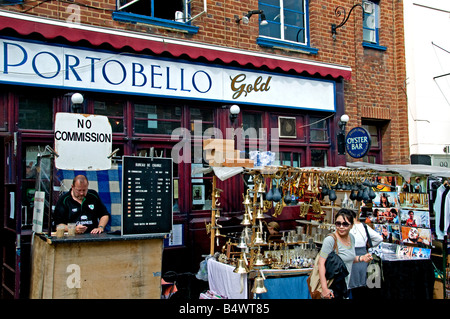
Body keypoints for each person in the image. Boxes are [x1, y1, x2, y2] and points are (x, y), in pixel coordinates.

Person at [318, 209, 372, 299]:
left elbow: (347, 259)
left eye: (345, 224)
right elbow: (321, 263)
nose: (341, 227)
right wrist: (324, 289)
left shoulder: (352, 238)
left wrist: (361, 258)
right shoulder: (330, 240)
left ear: (351, 226)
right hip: (331, 288)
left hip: (344, 287)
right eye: (338, 224)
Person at [349, 210, 383, 299]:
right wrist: (369, 245)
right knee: (363, 285)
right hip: (365, 257)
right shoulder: (364, 226)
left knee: (353, 286)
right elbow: (379, 238)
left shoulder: (347, 227)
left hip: (353, 258)